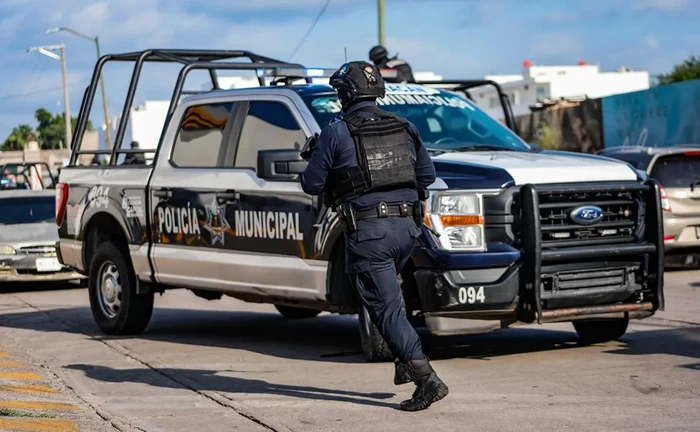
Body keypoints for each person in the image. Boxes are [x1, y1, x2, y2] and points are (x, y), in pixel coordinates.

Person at [299, 61, 448, 412]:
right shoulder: (405, 125)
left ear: (346, 94)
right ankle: (402, 358)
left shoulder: (336, 132)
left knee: (386, 308)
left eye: (338, 92)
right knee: (389, 299)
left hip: (370, 234)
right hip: (407, 230)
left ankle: (426, 380)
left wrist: (313, 155)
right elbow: (426, 176)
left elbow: (312, 184)